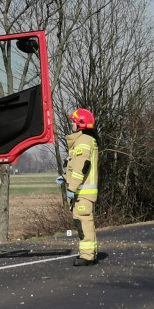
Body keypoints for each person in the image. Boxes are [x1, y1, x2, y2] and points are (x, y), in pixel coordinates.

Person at [63, 107, 99, 266]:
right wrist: (65, 178)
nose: (72, 124)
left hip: (82, 192)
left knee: (83, 222)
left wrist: (71, 188)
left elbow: (81, 166)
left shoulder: (83, 140)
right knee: (85, 222)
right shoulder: (86, 140)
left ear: (81, 125)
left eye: (74, 122)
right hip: (83, 191)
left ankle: (87, 256)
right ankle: (90, 254)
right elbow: (76, 165)